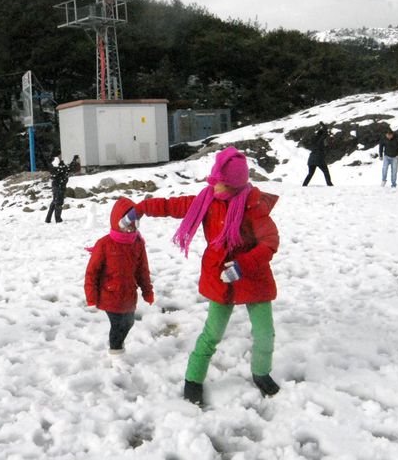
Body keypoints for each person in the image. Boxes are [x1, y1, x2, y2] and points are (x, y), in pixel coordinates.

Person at [122, 146, 281, 405]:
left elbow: (270, 242)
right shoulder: (207, 200)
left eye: (220, 183)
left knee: (265, 333)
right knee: (212, 333)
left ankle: (261, 373)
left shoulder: (253, 205)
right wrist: (140, 208)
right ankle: (193, 379)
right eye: (213, 181)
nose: (214, 187)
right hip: (220, 276)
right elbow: (170, 205)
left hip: (253, 275)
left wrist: (243, 265)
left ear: (235, 186)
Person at [84, 197, 154, 355]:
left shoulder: (137, 243)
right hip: (109, 294)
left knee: (128, 322)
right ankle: (116, 353)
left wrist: (147, 291)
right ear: (117, 221)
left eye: (133, 223)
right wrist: (91, 296)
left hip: (128, 294)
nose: (130, 228)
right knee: (118, 325)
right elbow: (92, 272)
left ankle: (118, 346)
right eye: (126, 223)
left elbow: (142, 269)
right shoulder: (104, 244)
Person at [302, 122, 334, 186]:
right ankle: (329, 184)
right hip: (319, 159)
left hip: (311, 159)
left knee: (310, 174)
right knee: (326, 172)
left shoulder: (314, 140)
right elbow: (325, 132)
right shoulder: (321, 139)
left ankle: (304, 185)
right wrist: (323, 125)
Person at [45, 156, 69, 223]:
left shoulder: (59, 167)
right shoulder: (57, 167)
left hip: (58, 186)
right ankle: (58, 219)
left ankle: (48, 219)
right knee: (58, 202)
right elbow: (57, 173)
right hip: (58, 186)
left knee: (54, 202)